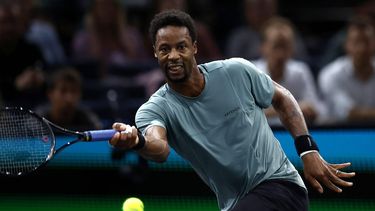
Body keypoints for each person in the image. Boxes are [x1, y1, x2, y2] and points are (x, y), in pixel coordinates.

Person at [109, 10, 355, 211]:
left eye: (181, 47)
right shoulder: (154, 109)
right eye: (165, 49)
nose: (173, 55)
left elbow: (283, 98)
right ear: (155, 52)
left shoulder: (235, 71)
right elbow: (159, 149)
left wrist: (308, 150)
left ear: (194, 48)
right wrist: (138, 141)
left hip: (281, 188)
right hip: (236, 203)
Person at [252, 17, 327, 127]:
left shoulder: (300, 71)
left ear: (292, 48)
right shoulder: (250, 71)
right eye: (276, 46)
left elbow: (314, 108)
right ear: (263, 47)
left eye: (285, 46)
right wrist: (292, 107)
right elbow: (244, 115)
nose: (281, 53)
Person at [318, 15, 375, 126]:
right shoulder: (330, 74)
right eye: (357, 42)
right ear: (347, 45)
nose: (362, 48)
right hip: (341, 136)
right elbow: (348, 113)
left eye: (367, 42)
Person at [225, 0, 309, 62]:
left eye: (266, 7)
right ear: (247, 11)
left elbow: (301, 59)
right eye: (257, 8)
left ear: (274, 8)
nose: (262, 12)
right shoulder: (239, 36)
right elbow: (233, 68)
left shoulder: (286, 31)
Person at [35, 67, 102, 132]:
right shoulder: (37, 121)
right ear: (50, 93)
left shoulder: (88, 120)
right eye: (63, 91)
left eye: (73, 91)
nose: (69, 98)